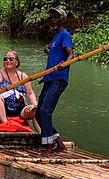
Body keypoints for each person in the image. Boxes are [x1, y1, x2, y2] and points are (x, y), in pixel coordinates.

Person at [37, 6, 74, 154]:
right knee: (39, 113)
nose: (53, 19)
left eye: (56, 17)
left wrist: (63, 65)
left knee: (46, 110)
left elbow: (70, 55)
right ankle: (59, 143)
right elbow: (55, 53)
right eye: (52, 17)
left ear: (62, 20)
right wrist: (48, 50)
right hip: (49, 78)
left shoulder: (65, 35)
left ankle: (48, 145)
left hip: (58, 79)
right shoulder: (56, 36)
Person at [0, 50, 39, 130]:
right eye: (5, 59)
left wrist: (34, 103)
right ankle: (5, 122)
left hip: (20, 108)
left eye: (11, 59)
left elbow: (30, 93)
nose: (8, 61)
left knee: (36, 108)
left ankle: (42, 133)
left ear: (16, 62)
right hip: (3, 108)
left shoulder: (23, 76)